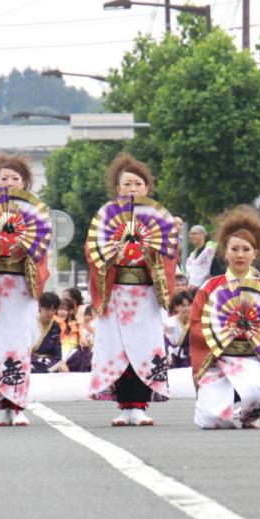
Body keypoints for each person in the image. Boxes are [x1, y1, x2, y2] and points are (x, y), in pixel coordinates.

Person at [87, 152, 179, 427]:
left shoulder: (158, 218)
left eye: (138, 184)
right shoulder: (106, 217)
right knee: (119, 349)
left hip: (144, 295)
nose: (132, 189)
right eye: (126, 184)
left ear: (147, 188)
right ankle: (124, 405)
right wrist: (110, 255)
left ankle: (139, 405)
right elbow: (92, 252)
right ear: (117, 188)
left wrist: (153, 252)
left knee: (143, 348)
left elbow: (169, 255)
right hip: (116, 293)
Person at [189, 207, 260, 429]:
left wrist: (256, 335)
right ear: (225, 252)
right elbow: (197, 324)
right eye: (234, 249)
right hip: (218, 359)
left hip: (252, 359)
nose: (240, 254)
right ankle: (221, 404)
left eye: (246, 249)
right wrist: (223, 335)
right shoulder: (209, 287)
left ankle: (249, 410)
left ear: (255, 253)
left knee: (258, 392)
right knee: (212, 420)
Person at [0, 154, 51, 427]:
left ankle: (17, 406)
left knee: (18, 344)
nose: (9, 182)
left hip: (21, 287)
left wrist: (22, 244)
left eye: (15, 178)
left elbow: (41, 248)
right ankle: (3, 407)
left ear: (24, 182)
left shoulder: (34, 211)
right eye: (4, 178)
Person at [163, 290, 194, 369]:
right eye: (183, 305)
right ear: (176, 307)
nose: (186, 308)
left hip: (194, 359)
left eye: (189, 305)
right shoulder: (169, 323)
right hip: (175, 360)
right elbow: (167, 345)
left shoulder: (197, 321)